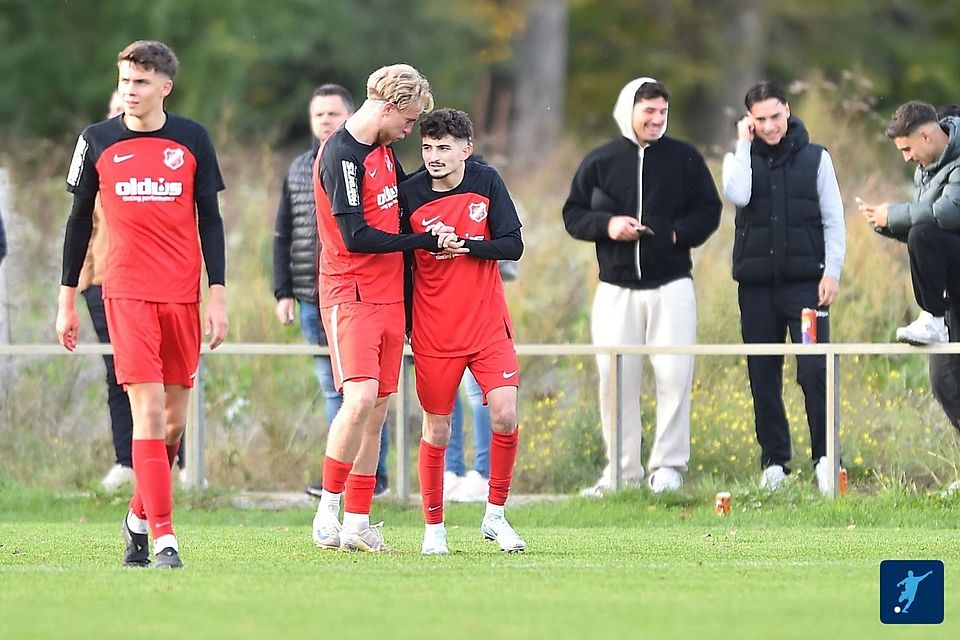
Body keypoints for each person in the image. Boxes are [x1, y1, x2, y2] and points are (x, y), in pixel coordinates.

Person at [57, 40, 228, 569]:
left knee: (172, 424)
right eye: (125, 81)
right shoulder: (96, 140)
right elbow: (78, 222)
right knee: (148, 413)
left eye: (141, 82)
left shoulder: (193, 138)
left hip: (181, 295)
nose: (130, 91)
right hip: (124, 293)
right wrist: (65, 301)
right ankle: (164, 538)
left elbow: (212, 221)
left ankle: (135, 516)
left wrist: (217, 293)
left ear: (164, 87)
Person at [309, 64, 457, 553]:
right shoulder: (342, 155)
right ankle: (325, 512)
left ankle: (357, 521)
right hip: (349, 293)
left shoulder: (384, 154)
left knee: (376, 411)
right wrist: (423, 240)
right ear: (389, 107)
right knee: (359, 397)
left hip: (390, 295)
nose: (411, 130)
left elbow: (393, 215)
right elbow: (356, 237)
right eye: (410, 120)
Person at [562, 77, 721, 496]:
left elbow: (709, 210)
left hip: (672, 286)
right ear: (628, 110)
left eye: (662, 112)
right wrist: (608, 225)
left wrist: (674, 234)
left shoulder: (685, 158)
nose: (656, 119)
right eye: (648, 111)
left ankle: (668, 468)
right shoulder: (600, 160)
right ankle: (621, 472)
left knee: (674, 374)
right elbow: (573, 214)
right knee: (615, 379)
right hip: (615, 289)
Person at [401, 108, 525, 554]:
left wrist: (467, 245)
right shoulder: (409, 193)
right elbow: (400, 261)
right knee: (437, 431)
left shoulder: (487, 182)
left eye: (444, 147)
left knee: (505, 414)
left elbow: (513, 244)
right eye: (428, 147)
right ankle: (434, 527)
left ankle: (495, 515)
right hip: (435, 330)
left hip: (488, 324)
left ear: (465, 150)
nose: (434, 156)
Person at [722, 80, 846, 494]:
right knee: (763, 373)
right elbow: (738, 194)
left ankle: (826, 459)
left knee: (813, 371)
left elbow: (833, 220)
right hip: (756, 289)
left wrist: (833, 272)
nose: (771, 126)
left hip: (807, 288)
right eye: (760, 119)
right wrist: (743, 145)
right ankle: (775, 461)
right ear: (749, 121)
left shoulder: (817, 158)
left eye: (776, 116)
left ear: (787, 111)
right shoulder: (738, 160)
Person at [271, 84, 390, 498]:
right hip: (311, 295)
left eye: (333, 113)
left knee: (369, 393)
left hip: (365, 290)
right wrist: (282, 291)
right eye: (318, 114)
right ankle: (338, 482)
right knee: (334, 389)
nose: (324, 120)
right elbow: (283, 232)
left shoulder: (373, 156)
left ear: (351, 114)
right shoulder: (300, 167)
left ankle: (373, 479)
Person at [861, 101, 960, 443]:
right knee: (945, 382)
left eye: (907, 149)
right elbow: (925, 232)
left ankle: (931, 318)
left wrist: (898, 214)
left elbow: (946, 215)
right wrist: (885, 223)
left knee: (921, 231)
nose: (905, 158)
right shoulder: (926, 169)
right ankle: (933, 319)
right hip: (950, 287)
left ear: (926, 135)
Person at [78, 91, 137, 491]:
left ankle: (175, 460)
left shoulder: (167, 161)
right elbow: (83, 226)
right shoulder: (97, 162)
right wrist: (83, 282)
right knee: (116, 372)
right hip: (102, 284)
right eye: (115, 109)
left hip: (150, 283)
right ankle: (125, 460)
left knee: (158, 374)